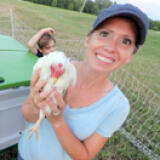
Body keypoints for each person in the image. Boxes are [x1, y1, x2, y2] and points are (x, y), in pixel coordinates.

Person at [18, 3, 149, 160]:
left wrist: (58, 122)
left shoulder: (118, 106)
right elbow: (27, 114)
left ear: (130, 56)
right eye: (105, 34)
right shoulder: (57, 67)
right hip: (25, 155)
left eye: (126, 41)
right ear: (88, 40)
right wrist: (34, 104)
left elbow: (85, 156)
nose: (110, 47)